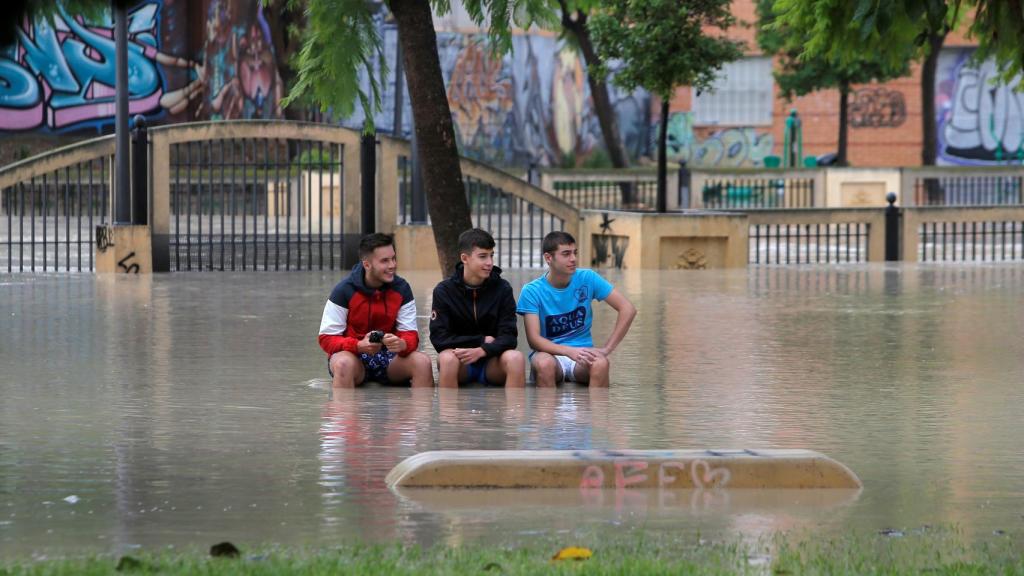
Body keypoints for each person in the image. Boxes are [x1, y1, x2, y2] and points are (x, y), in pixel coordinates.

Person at [516, 231, 636, 387]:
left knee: (601, 363)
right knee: (544, 364)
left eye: (575, 253)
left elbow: (628, 309)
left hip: (582, 354)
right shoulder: (531, 291)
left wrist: (607, 349)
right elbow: (534, 340)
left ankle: (598, 404)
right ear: (548, 258)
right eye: (566, 254)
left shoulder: (588, 278)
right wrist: (568, 351)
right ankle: (545, 403)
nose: (573, 259)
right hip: (549, 355)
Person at [318, 233, 433, 388]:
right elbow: (326, 338)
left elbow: (410, 334)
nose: (392, 265)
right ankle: (343, 405)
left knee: (423, 362)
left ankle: (422, 405)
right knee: (343, 364)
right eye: (385, 261)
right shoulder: (343, 290)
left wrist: (403, 344)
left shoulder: (402, 289)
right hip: (353, 355)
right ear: (367, 265)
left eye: (393, 258)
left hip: (391, 358)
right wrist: (358, 345)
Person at [429, 228, 525, 388]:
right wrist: (479, 341)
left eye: (491, 255)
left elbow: (510, 337)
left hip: (492, 361)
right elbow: (439, 339)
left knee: (516, 358)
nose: (489, 263)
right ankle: (447, 406)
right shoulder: (444, 291)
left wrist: (483, 350)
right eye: (482, 256)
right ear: (464, 258)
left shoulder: (502, 288)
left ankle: (514, 406)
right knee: (446, 358)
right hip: (461, 363)